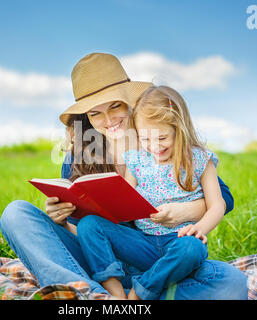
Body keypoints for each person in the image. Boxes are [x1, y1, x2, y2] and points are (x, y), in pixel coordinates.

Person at [0, 52, 248, 299]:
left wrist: (186, 212)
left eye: (115, 106)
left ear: (130, 100)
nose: (108, 120)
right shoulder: (80, 155)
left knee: (232, 284)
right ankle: (99, 296)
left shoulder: (158, 137)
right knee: (15, 214)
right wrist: (61, 221)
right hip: (100, 263)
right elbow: (84, 232)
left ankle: (115, 295)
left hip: (162, 260)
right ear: (85, 116)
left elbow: (223, 198)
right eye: (95, 113)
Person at [77, 85, 229, 300]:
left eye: (162, 138)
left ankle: (140, 293)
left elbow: (218, 204)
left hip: (178, 242)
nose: (155, 147)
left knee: (192, 249)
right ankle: (115, 293)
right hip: (142, 242)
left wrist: (199, 229)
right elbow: (125, 200)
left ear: (180, 128)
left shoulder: (200, 160)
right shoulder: (137, 159)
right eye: (146, 139)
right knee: (89, 225)